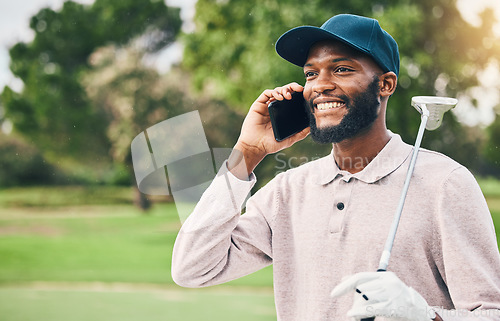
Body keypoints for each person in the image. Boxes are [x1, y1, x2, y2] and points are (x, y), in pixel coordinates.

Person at [171, 14, 500, 321]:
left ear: (385, 84)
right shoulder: (287, 192)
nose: (320, 85)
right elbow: (193, 268)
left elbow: (491, 312)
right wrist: (247, 152)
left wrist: (425, 315)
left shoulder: (445, 183)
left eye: (341, 69)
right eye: (311, 73)